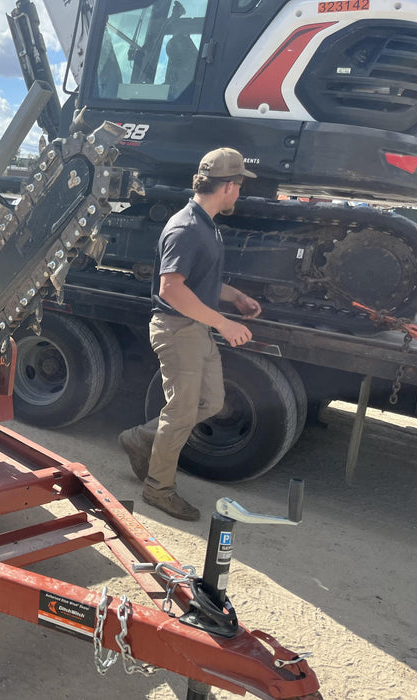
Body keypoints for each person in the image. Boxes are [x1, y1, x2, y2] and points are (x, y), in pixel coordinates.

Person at [118, 147, 262, 521]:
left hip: (196, 327)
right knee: (180, 413)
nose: (240, 192)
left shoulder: (206, 224)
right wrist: (224, 323)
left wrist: (235, 296)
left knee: (211, 401)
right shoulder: (187, 228)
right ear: (228, 185)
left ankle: (139, 438)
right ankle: (158, 489)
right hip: (178, 329)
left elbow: (198, 281)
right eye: (240, 185)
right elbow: (171, 289)